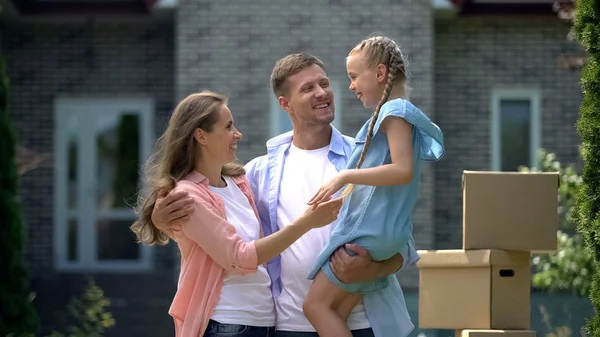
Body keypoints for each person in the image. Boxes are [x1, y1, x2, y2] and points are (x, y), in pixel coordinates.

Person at [152, 52, 421, 337]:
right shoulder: (256, 174)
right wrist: (161, 220)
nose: (322, 93)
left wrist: (373, 269)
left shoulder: (365, 160)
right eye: (307, 88)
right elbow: (216, 224)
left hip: (363, 323)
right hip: (287, 325)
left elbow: (403, 242)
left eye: (324, 83)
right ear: (285, 104)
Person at [130, 91, 343, 337]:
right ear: (201, 136)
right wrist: (307, 222)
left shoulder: (239, 182)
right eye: (229, 126)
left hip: (264, 322)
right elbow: (239, 256)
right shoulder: (187, 196)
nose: (238, 134)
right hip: (228, 324)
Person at [302, 36, 445, 337]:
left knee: (314, 307)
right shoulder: (402, 114)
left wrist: (345, 176)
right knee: (335, 313)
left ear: (380, 74)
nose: (351, 86)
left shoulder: (395, 111)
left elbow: (402, 169)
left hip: (369, 234)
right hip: (386, 240)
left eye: (354, 77)